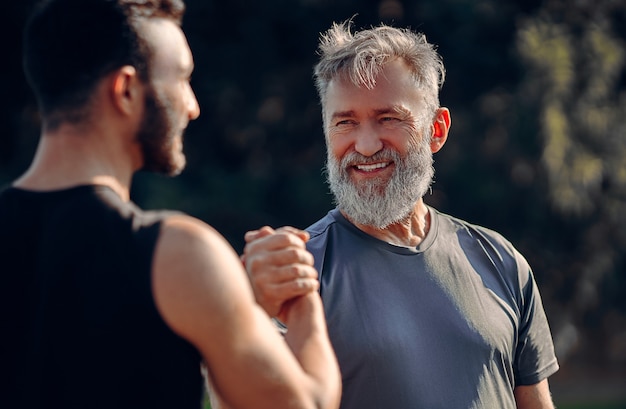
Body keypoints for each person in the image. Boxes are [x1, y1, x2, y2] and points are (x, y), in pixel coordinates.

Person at [0, 1, 341, 408]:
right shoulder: (177, 255)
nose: (192, 106)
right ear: (125, 90)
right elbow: (308, 404)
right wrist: (300, 290)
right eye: (180, 78)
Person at [244, 21, 560, 408]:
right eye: (345, 122)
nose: (366, 144)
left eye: (388, 118)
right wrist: (245, 315)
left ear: (436, 129)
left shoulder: (502, 262)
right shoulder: (297, 273)